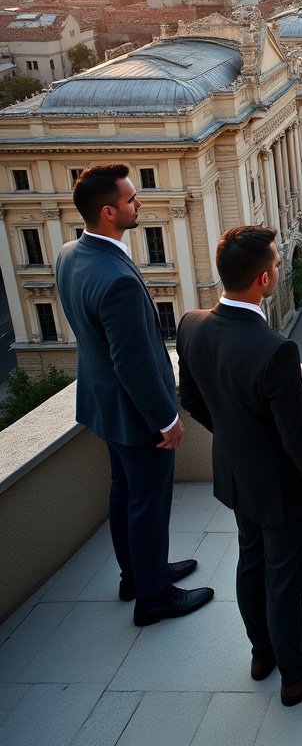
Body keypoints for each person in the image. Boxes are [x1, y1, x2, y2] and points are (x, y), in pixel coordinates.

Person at [176, 226, 302, 706]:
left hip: (234, 474)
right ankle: (295, 671)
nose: (278, 268)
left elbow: (192, 399)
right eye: (275, 263)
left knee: (251, 560)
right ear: (264, 280)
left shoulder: (189, 324)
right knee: (284, 577)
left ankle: (263, 650)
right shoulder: (275, 349)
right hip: (279, 485)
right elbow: (297, 432)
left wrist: (237, 439)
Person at [55, 163, 213, 627]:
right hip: (137, 414)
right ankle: (155, 597)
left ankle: (137, 576)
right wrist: (166, 418)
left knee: (124, 493)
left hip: (105, 407)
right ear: (108, 212)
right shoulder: (118, 279)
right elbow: (133, 361)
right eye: (130, 199)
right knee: (147, 504)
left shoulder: (70, 253)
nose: (138, 202)